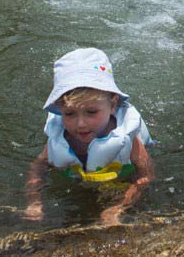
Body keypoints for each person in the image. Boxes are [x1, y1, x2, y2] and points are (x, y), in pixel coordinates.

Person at [24, 48, 155, 226]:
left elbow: (146, 176)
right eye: (69, 114)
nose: (80, 124)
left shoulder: (127, 139)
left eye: (91, 112)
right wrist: (34, 202)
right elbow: (38, 166)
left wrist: (118, 207)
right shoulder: (59, 138)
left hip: (119, 182)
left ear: (113, 104)